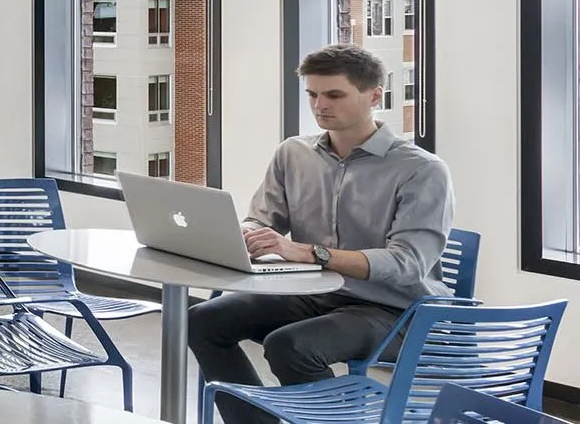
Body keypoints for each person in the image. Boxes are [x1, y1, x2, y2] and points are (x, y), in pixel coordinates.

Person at [189, 43, 454, 424]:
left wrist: (311, 253)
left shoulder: (421, 170)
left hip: (395, 308)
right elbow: (262, 219)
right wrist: (247, 236)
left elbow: (407, 264)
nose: (319, 105)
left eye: (334, 94)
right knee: (202, 319)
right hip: (315, 293)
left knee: (291, 346)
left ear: (374, 95)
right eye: (312, 94)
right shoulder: (293, 153)